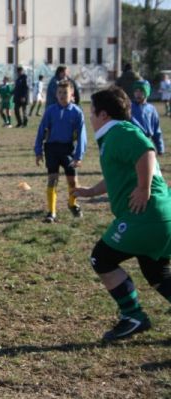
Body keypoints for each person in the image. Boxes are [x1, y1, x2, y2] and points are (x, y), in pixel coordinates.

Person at [72, 86, 171, 341]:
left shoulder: (120, 131)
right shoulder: (114, 136)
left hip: (145, 216)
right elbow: (120, 174)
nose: (90, 117)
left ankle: (133, 315)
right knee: (156, 273)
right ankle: (133, 316)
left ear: (104, 115)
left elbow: (146, 151)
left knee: (101, 258)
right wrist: (92, 191)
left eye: (91, 112)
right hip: (158, 215)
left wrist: (143, 188)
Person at [34, 80, 87, 223]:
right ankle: (51, 212)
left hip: (68, 149)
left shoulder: (77, 112)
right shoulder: (50, 111)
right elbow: (41, 131)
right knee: (53, 179)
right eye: (60, 93)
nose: (62, 95)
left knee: (73, 182)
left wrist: (79, 155)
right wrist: (38, 151)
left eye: (65, 93)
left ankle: (72, 204)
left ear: (72, 95)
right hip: (51, 149)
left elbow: (82, 135)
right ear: (56, 95)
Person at [132, 80, 164, 155]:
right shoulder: (129, 108)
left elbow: (156, 130)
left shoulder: (151, 109)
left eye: (141, 91)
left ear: (147, 93)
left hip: (147, 143)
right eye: (136, 91)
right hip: (132, 143)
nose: (138, 94)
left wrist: (160, 147)